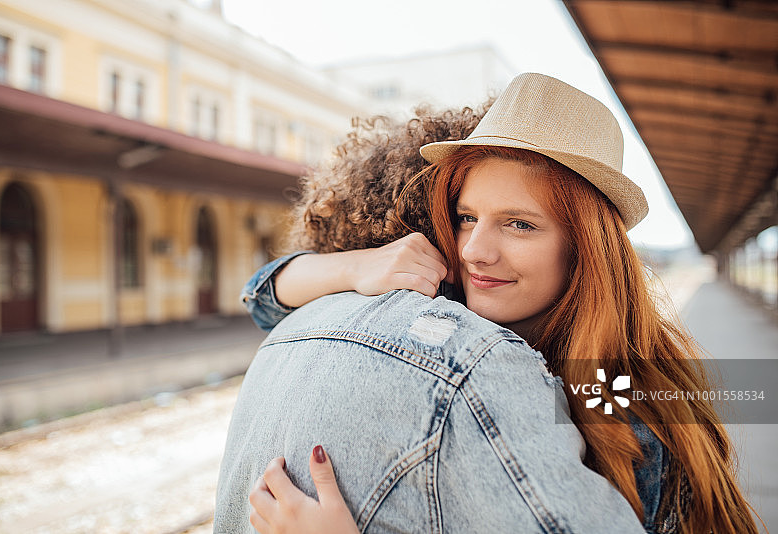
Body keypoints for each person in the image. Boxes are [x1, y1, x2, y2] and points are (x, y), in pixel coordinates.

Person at [220, 73, 758, 533]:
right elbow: (265, 298)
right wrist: (357, 266)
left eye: (519, 225)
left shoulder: (618, 397)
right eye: (466, 217)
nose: (476, 250)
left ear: (584, 249)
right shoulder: (460, 314)